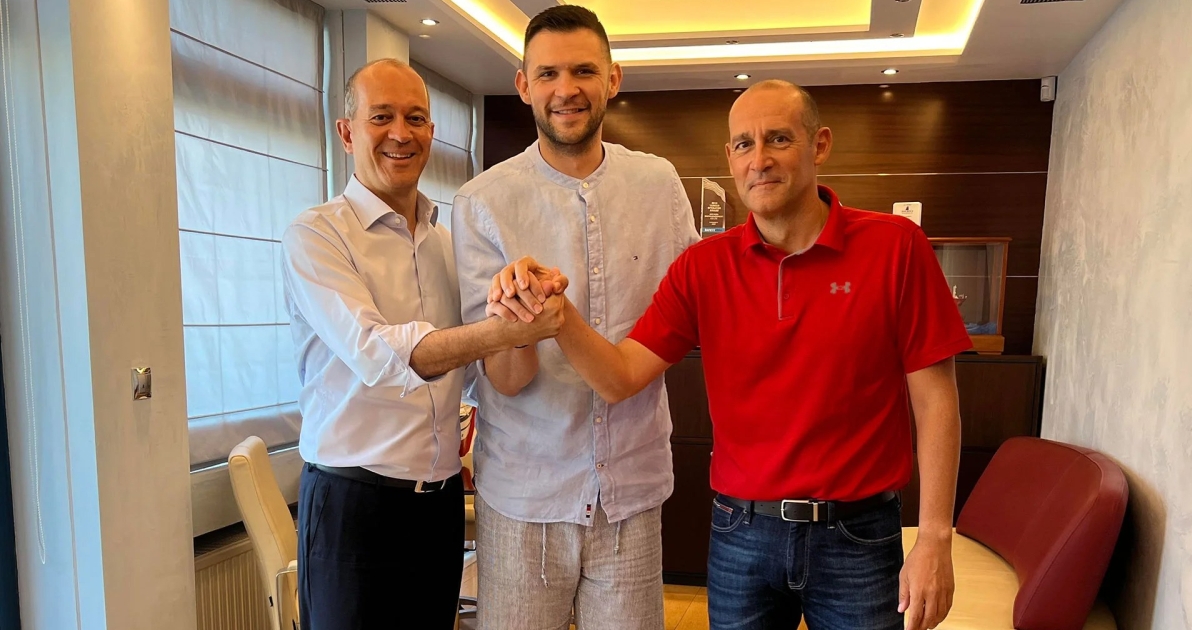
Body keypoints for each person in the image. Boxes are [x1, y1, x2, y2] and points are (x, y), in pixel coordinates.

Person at [489, 80, 968, 630]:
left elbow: (936, 403)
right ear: (730, 157)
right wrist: (559, 314)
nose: (759, 160)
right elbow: (620, 376)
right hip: (742, 534)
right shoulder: (703, 267)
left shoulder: (895, 246)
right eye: (744, 144)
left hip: (858, 535)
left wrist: (935, 537)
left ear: (819, 145)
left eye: (778, 139)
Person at [280, 59, 566, 630]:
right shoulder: (315, 234)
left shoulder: (448, 245)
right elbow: (376, 351)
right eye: (381, 117)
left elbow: (493, 374)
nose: (400, 133)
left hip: (439, 507)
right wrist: (504, 331)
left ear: (432, 133)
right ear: (347, 132)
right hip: (351, 505)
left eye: (415, 119)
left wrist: (524, 302)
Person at [450, 5, 700, 629]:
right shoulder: (483, 202)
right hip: (525, 496)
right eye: (549, 74)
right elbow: (506, 382)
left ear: (612, 79)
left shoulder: (659, 184)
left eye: (584, 71)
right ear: (523, 85)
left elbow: (692, 314)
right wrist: (518, 321)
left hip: (632, 491)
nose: (567, 89)